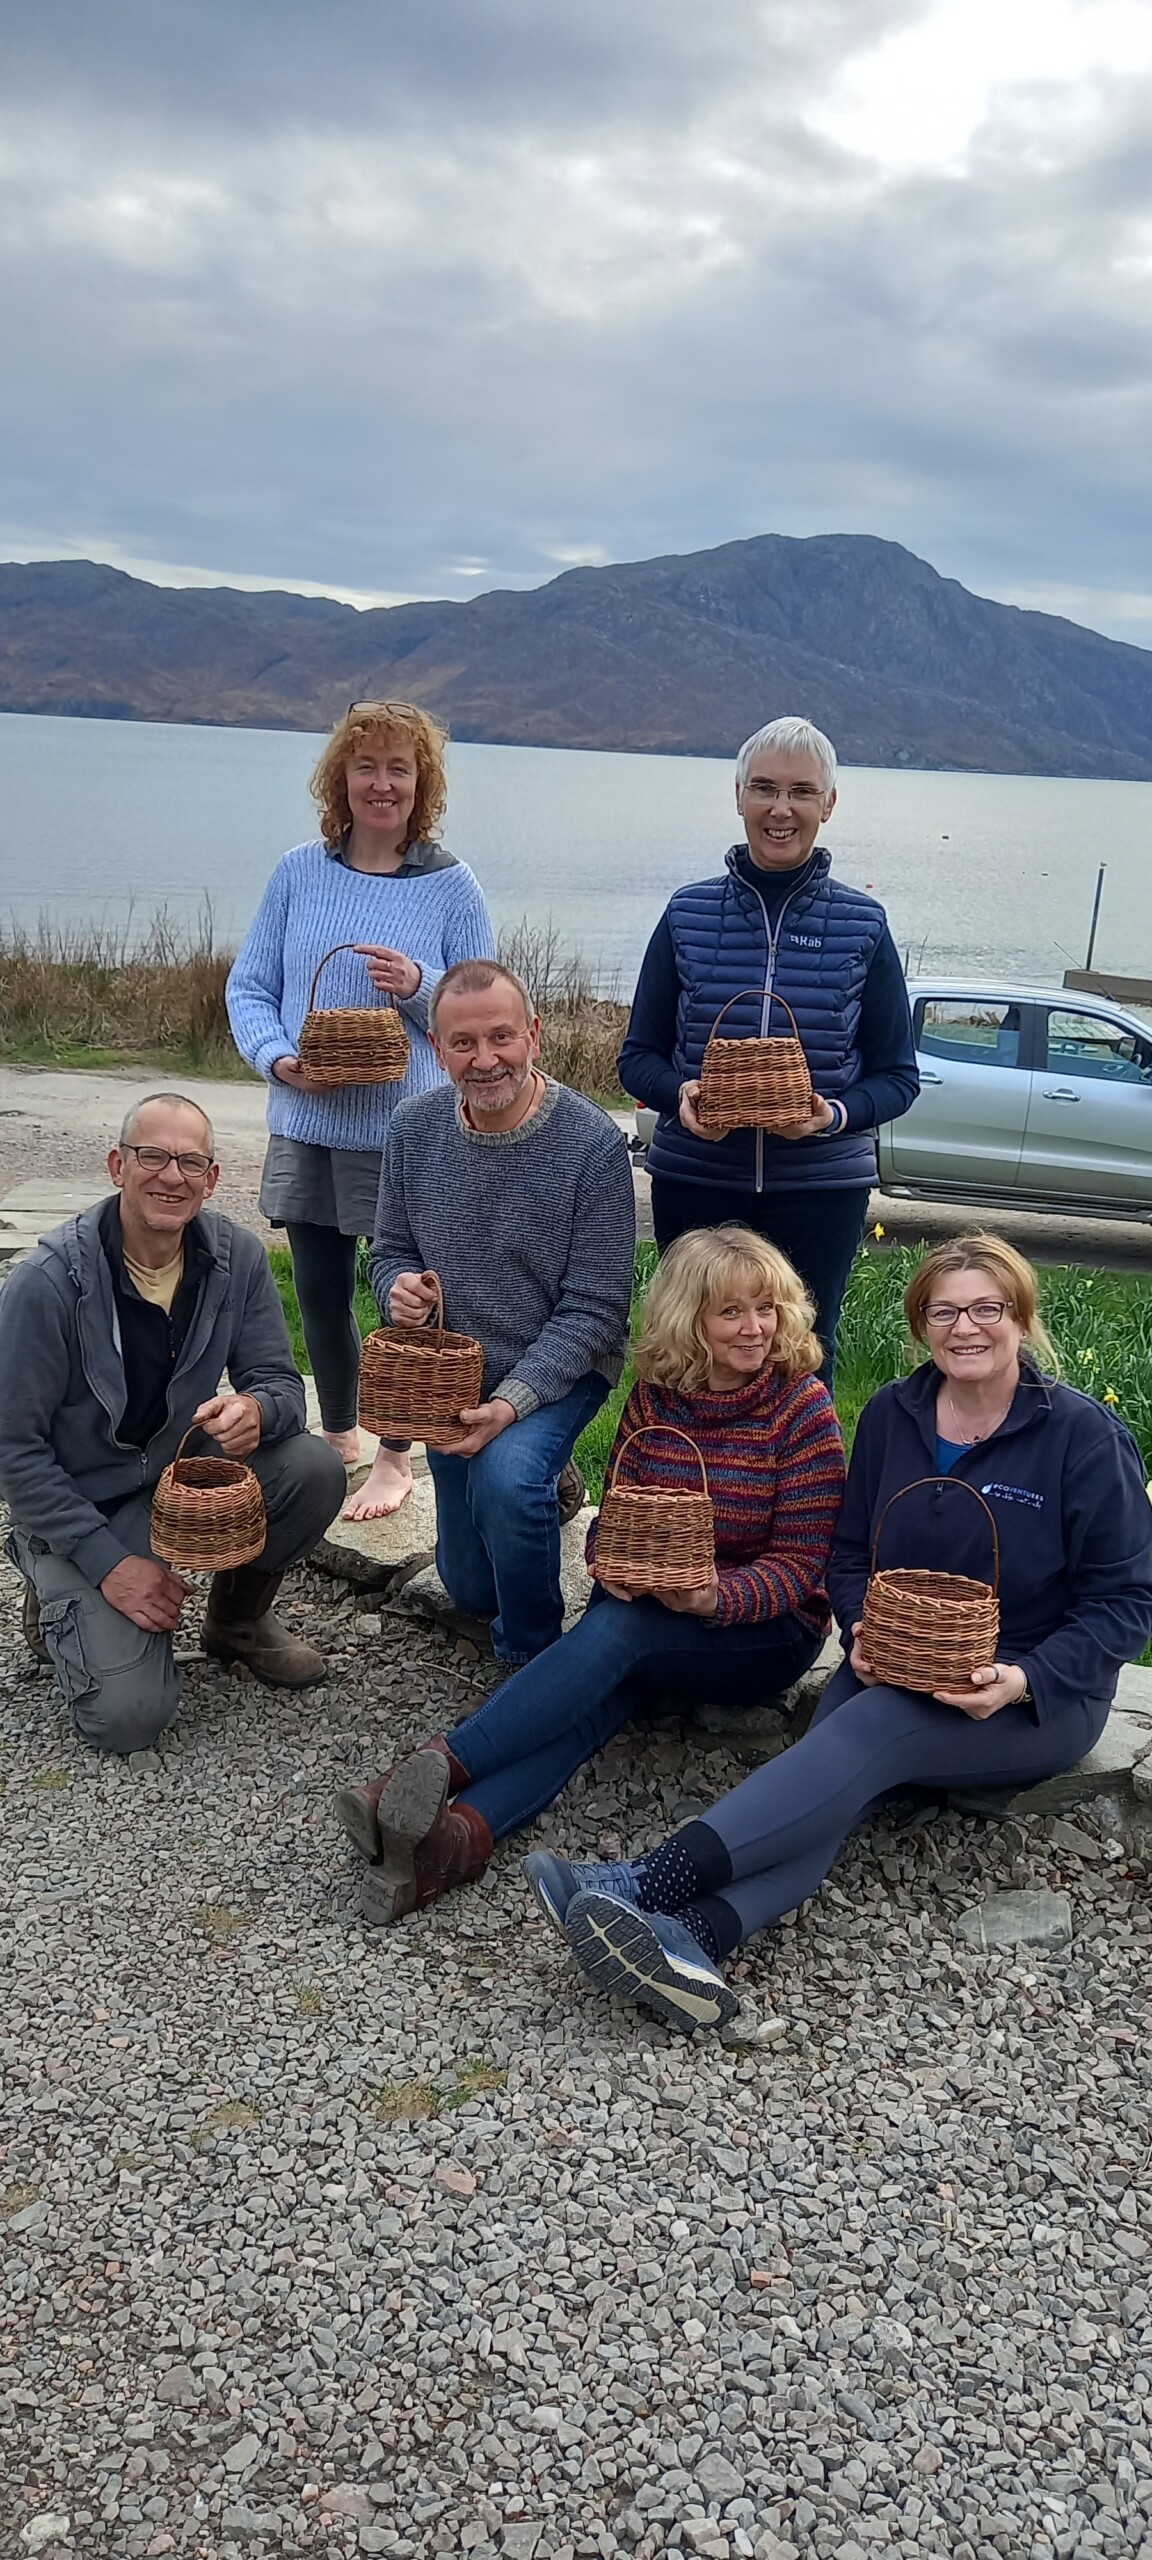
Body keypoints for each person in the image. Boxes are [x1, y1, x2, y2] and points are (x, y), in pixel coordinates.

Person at [534, 1233, 1152, 2033]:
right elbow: (850, 1552)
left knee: (865, 1737)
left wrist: (1024, 1678)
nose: (967, 1328)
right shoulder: (895, 1415)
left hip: (1032, 1694)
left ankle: (643, 1883)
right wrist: (857, 1625)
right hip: (893, 1657)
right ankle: (692, 1940)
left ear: (1022, 1319)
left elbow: (1125, 1604)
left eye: (987, 1309)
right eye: (945, 1311)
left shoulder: (1083, 1437)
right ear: (920, 1324)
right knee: (829, 1784)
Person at [337, 1224, 844, 1927]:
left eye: (768, 1309)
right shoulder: (658, 1396)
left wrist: (713, 1596)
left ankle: (430, 1769)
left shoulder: (803, 1409)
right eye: (731, 1312)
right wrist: (610, 1561)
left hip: (762, 1632)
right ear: (688, 1319)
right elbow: (613, 1519)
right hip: (653, 1610)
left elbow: (801, 1565)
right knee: (597, 1695)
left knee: (621, 1635)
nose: (756, 1328)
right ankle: (450, 1844)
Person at [0, 1093, 347, 1755]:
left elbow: (281, 1386)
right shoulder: (46, 1284)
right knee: (127, 1719)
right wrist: (111, 1567)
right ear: (117, 1165)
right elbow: (13, 1450)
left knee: (313, 1468)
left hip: (173, 1484)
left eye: (191, 1161)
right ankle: (55, 1585)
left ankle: (236, 1623)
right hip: (87, 1508)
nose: (172, 1175)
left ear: (212, 1179)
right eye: (152, 1156)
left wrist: (257, 1410)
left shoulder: (236, 1258)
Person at [226, 699, 495, 1522]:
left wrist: (418, 988)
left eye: (399, 769)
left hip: (406, 1133)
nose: (382, 784)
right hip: (308, 1126)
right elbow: (249, 987)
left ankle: (396, 1452)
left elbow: (479, 1010)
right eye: (366, 766)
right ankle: (339, 1432)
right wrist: (277, 1059)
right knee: (319, 1291)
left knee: (408, 1298)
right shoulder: (296, 872)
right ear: (341, 779)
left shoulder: (452, 885)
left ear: (423, 786)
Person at [618, 714, 919, 1364]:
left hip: (819, 1189)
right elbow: (636, 1059)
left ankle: (798, 1470)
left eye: (802, 792)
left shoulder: (863, 925)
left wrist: (831, 1116)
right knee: (688, 1349)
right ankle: (678, 1467)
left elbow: (898, 1077)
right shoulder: (687, 914)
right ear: (739, 797)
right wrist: (681, 1095)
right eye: (765, 789)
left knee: (801, 1352)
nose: (781, 809)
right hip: (697, 1179)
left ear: (828, 804)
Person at [367, 957, 635, 1680]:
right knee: (469, 1587)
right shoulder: (412, 1128)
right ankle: (548, 1489)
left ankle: (535, 1660)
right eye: (463, 1043)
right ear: (436, 1048)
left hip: (557, 1365)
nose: (484, 1059)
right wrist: (397, 1289)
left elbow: (600, 1309)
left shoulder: (592, 1144)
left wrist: (512, 1406)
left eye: (501, 1038)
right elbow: (388, 1249)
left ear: (534, 1037)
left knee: (508, 1479)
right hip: (453, 1374)